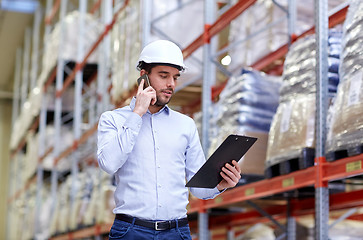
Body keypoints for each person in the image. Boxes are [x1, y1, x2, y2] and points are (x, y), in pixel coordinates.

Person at [97, 40, 241, 240]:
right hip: (131, 231)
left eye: (175, 77)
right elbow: (109, 163)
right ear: (143, 77)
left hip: (177, 231)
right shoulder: (113, 119)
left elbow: (198, 189)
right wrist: (137, 113)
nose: (171, 84)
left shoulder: (185, 125)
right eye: (163, 76)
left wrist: (220, 184)